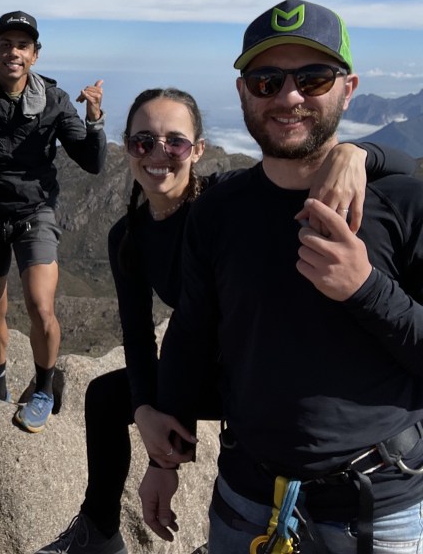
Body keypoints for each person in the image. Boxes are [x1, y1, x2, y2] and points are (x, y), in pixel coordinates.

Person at [36, 84, 413, 554]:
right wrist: (146, 409)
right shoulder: (128, 236)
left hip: (255, 370)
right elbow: (138, 336)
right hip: (203, 370)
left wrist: (357, 153)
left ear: (197, 150)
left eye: (175, 143)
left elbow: (399, 168)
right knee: (106, 395)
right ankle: (98, 531)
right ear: (127, 148)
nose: (158, 153)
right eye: (143, 142)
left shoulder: (223, 202)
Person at [139, 0, 423, 553]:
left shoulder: (405, 205)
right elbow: (191, 335)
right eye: (267, 81)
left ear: (348, 88)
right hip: (245, 498)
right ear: (244, 92)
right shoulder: (217, 213)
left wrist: (367, 290)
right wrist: (162, 461)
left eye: (313, 79)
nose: (289, 97)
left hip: (378, 508)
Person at [0, 10, 106, 432]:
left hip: (34, 213)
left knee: (41, 306)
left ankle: (43, 389)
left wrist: (94, 118)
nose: (13, 52)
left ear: (35, 55)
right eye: (5, 44)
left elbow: (93, 161)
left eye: (22, 46)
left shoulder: (54, 100)